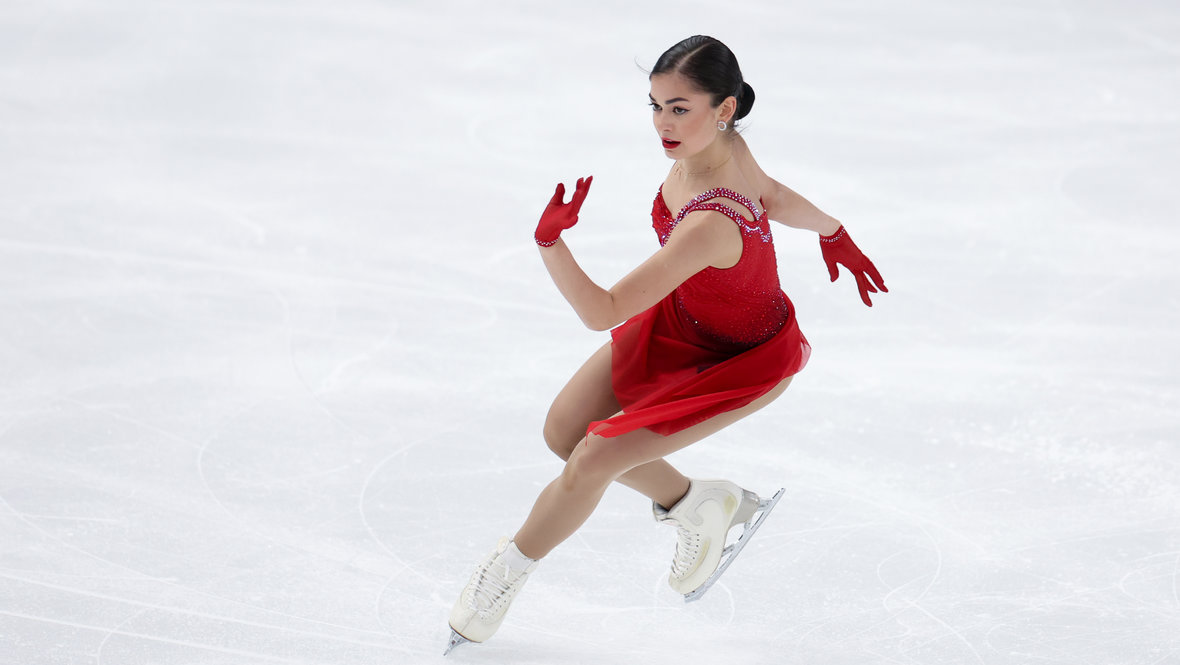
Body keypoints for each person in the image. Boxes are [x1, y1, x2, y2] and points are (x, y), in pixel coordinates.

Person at [445, 35, 886, 653]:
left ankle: (503, 575)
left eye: (680, 108)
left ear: (725, 108)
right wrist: (833, 229)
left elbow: (601, 312)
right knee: (564, 432)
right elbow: (773, 194)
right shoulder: (723, 146)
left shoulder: (710, 222)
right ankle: (699, 504)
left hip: (741, 361)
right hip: (683, 325)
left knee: (593, 458)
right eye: (655, 105)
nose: (663, 123)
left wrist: (550, 244)